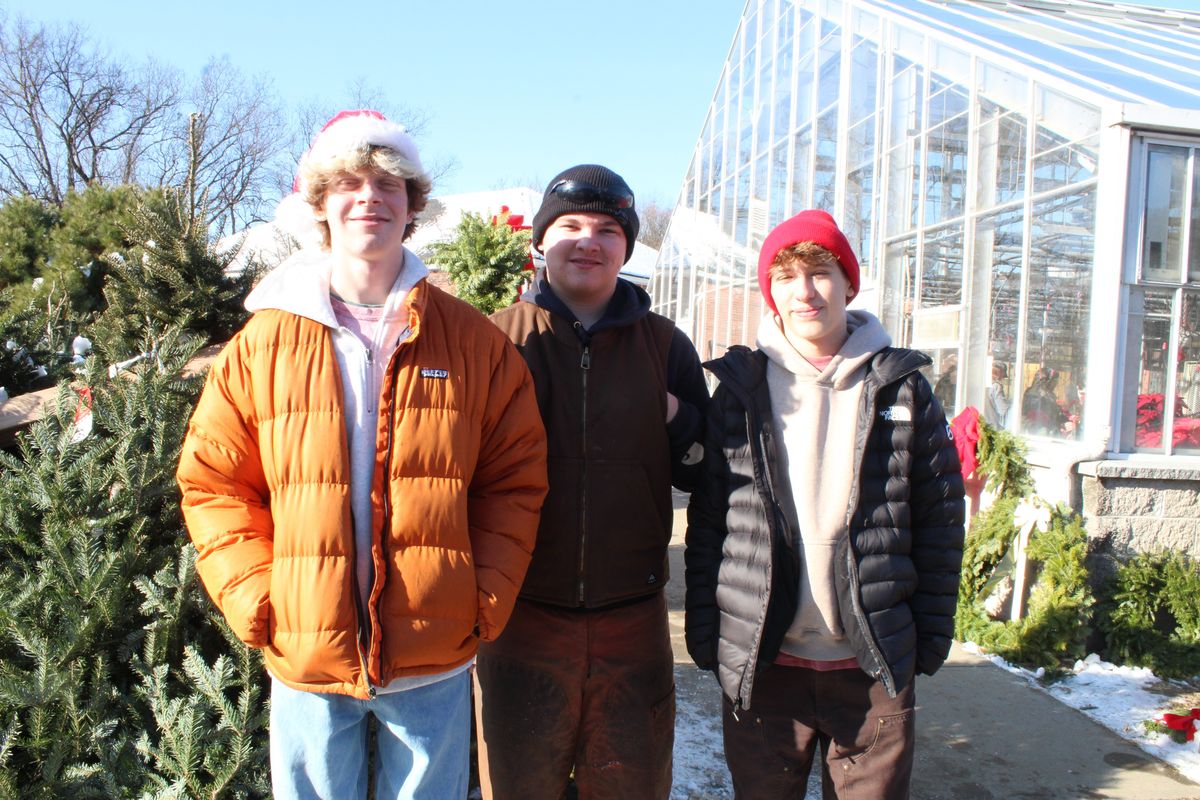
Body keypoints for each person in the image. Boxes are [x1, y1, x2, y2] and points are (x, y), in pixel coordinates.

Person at [176, 110, 548, 799]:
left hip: (433, 653)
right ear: (320, 205)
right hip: (305, 651)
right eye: (347, 182)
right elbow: (213, 483)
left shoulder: (473, 342)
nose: (368, 196)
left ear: (412, 206)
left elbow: (515, 478)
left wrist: (481, 595)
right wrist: (260, 598)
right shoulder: (264, 342)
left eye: (388, 182)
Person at [684, 210, 965, 799]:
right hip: (765, 661)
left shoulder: (900, 386)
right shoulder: (741, 389)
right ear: (770, 293)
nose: (804, 291)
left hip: (871, 668)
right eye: (785, 277)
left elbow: (939, 518)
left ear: (848, 284)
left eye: (819, 272)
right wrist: (711, 634)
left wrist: (929, 636)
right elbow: (711, 520)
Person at [475, 164, 709, 799]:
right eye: (570, 225)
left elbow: (705, 464)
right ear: (539, 243)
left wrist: (675, 416)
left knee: (629, 784)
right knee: (519, 785)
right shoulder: (494, 340)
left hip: (632, 619)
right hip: (522, 615)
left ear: (627, 247)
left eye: (608, 229)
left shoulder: (666, 346)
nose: (589, 241)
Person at [985, 362, 1011, 428]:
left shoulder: (981, 383)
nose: (1002, 379)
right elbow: (1002, 409)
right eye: (1003, 376)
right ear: (999, 374)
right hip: (991, 426)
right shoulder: (996, 386)